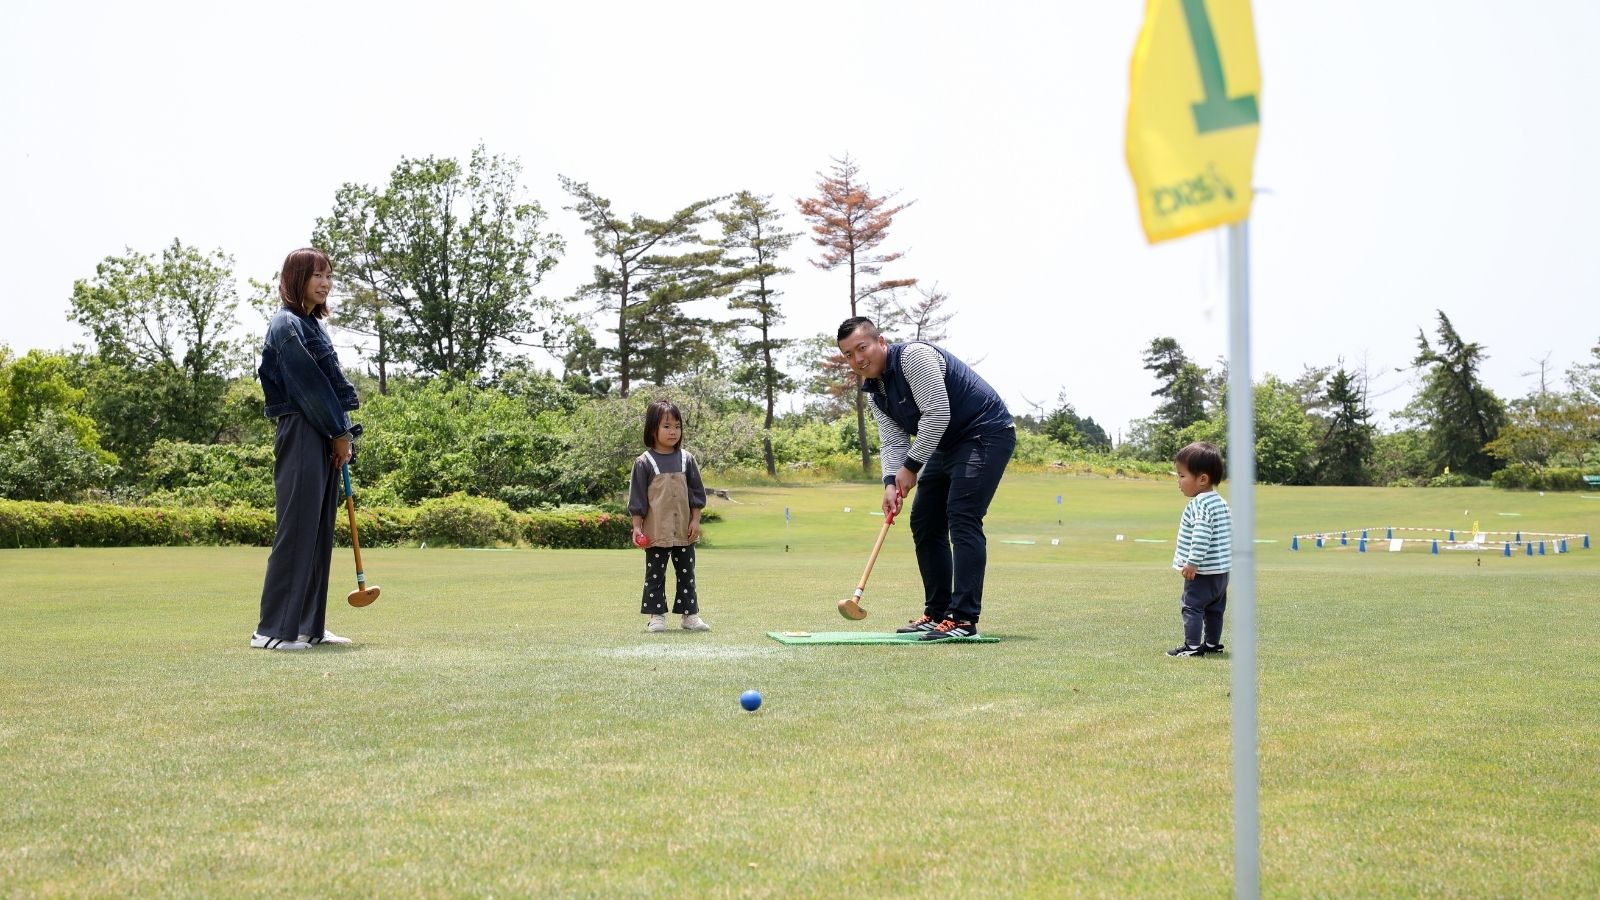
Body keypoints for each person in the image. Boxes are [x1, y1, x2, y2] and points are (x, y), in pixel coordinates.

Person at [836, 316, 1016, 641]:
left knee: (962, 516)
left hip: (984, 432)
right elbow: (892, 440)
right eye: (849, 354)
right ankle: (937, 614)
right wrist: (891, 480)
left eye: (862, 348)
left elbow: (937, 411)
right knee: (924, 521)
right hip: (945, 442)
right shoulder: (876, 391)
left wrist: (911, 467)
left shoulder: (913, 357)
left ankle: (962, 619)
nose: (858, 359)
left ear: (881, 342)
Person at [252, 247, 362, 651]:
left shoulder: (313, 325)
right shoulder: (285, 325)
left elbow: (332, 388)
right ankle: (271, 630)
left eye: (329, 276)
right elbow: (308, 386)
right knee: (297, 528)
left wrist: (342, 435)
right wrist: (338, 432)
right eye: (317, 275)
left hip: (326, 430)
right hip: (302, 428)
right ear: (296, 279)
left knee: (317, 532)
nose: (325, 283)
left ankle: (307, 626)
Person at [629, 399, 711, 633]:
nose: (673, 431)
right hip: (656, 532)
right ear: (652, 428)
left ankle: (690, 616)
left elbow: (696, 494)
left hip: (685, 531)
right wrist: (637, 527)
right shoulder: (644, 462)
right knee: (655, 574)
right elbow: (637, 499)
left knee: (687, 574)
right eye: (667, 426)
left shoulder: (687, 459)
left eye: (677, 425)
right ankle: (656, 617)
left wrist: (695, 520)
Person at [1167, 441, 1232, 657]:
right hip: (1221, 572)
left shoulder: (1199, 505)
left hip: (1202, 572)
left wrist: (1192, 562)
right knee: (1214, 610)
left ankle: (1192, 647)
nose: (1179, 482)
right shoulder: (1221, 503)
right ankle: (1212, 644)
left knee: (1192, 606)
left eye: (1182, 476)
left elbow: (1201, 535)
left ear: (1202, 479)